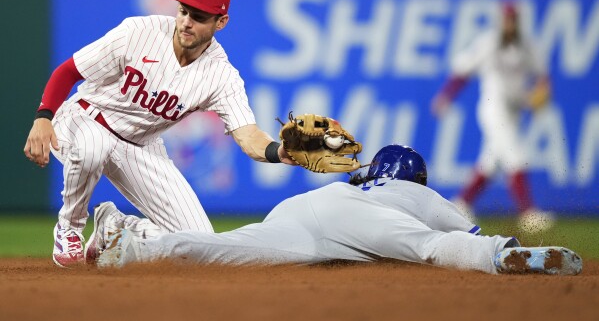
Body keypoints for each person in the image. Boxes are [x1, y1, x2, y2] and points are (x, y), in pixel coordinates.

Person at [23, 0, 295, 268]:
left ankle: (115, 227)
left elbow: (248, 135)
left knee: (199, 242)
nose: (187, 22)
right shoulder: (139, 32)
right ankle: (69, 227)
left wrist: (279, 152)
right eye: (183, 11)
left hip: (140, 146)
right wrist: (43, 117)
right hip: (85, 119)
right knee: (93, 147)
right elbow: (69, 71)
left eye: (199, 16)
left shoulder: (221, 76)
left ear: (221, 22)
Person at [91, 145, 582, 276]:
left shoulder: (361, 185)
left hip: (302, 208)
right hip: (357, 225)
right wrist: (494, 244)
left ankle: (134, 239)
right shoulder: (418, 195)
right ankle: (506, 259)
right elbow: (462, 231)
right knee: (430, 247)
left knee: (222, 247)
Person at [431, 0, 554, 233]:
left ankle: (461, 203)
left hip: (515, 110)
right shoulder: (488, 42)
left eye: (513, 19)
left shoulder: (528, 46)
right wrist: (446, 96)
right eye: (507, 19)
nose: (510, 23)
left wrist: (540, 95)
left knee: (490, 162)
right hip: (492, 107)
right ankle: (528, 214)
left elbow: (543, 77)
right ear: (501, 20)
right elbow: (462, 71)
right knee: (515, 155)